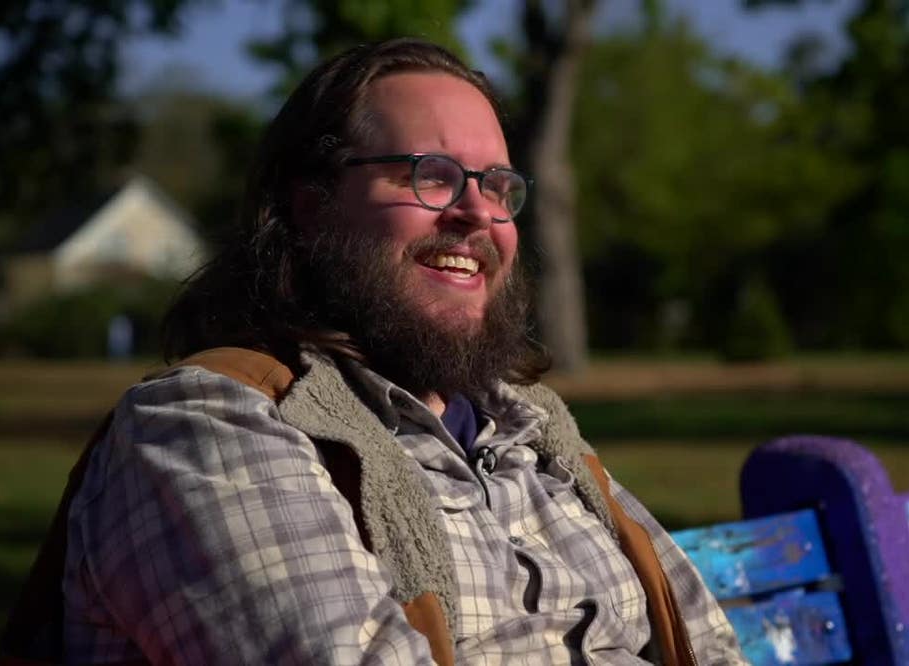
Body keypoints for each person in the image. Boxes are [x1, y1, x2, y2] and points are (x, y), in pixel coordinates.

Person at [57, 38, 747, 665]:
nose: (477, 213)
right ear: (311, 204)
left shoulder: (529, 426)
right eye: (432, 175)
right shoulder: (207, 426)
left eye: (497, 186)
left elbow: (708, 644)